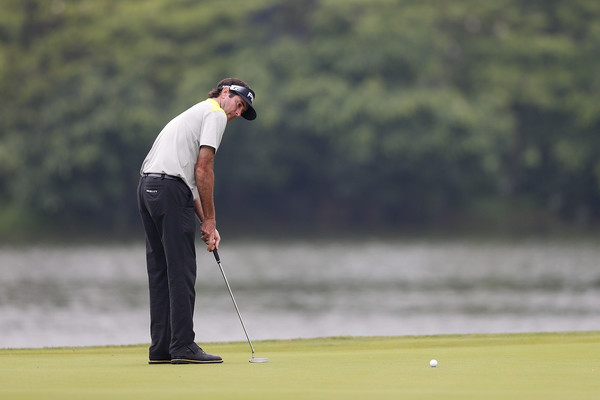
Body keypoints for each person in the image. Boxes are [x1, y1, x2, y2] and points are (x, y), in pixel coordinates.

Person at [137, 78, 257, 364]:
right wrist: (212, 220)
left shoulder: (194, 114)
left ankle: (161, 349)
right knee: (182, 272)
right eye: (239, 104)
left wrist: (207, 223)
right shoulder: (215, 114)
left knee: (161, 270)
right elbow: (203, 170)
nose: (237, 112)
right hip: (169, 191)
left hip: (148, 188)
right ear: (225, 93)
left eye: (243, 110)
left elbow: (190, 184)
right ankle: (183, 347)